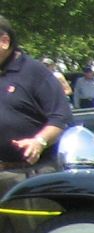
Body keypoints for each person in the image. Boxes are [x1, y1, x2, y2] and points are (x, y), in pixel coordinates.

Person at [0, 15, 72, 196]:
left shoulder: (35, 72)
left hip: (30, 176)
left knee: (32, 225)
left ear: (4, 41)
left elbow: (60, 117)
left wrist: (39, 141)